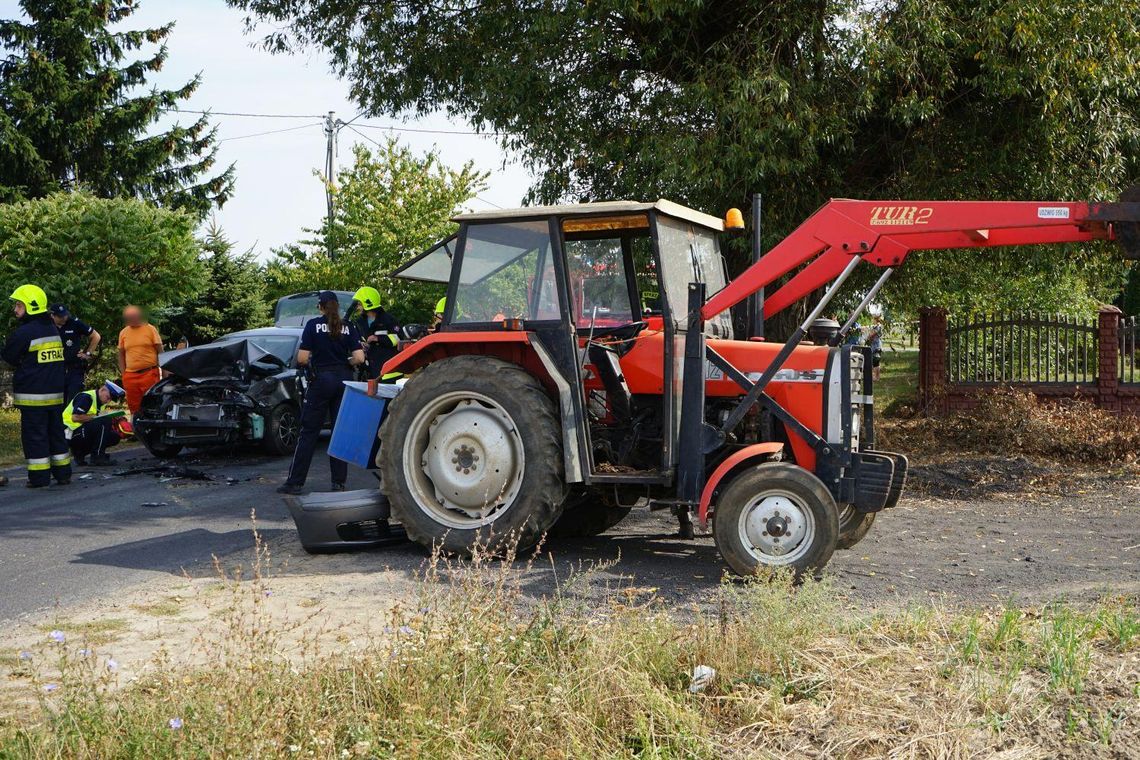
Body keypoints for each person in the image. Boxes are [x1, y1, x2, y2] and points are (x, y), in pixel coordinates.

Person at [277, 291, 365, 495]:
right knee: (339, 432)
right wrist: (346, 362)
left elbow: (301, 358)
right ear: (336, 306)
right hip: (344, 380)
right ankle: (339, 482)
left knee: (308, 432)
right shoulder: (348, 326)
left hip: (321, 381)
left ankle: (295, 482)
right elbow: (359, 358)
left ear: (320, 307)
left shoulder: (312, 326)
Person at [2, 284, 71, 488]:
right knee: (56, 434)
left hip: (33, 396)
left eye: (18, 305)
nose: (15, 309)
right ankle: (63, 473)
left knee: (35, 437)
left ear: (30, 306)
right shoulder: (52, 329)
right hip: (55, 395)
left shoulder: (25, 332)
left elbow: (8, 357)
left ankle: (39, 478)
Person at [64, 380, 127, 466]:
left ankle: (80, 453)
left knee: (114, 436)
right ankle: (97, 457)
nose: (108, 401)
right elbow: (75, 417)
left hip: (80, 432)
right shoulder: (86, 397)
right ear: (103, 390)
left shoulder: (101, 402)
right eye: (108, 397)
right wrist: (96, 417)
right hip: (69, 433)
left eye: (111, 399)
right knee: (104, 421)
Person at [50, 304, 101, 406]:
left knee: (74, 401)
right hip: (55, 370)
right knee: (58, 405)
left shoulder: (74, 322)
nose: (64, 318)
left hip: (74, 370)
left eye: (65, 315)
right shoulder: (46, 325)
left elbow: (96, 336)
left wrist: (87, 353)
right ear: (52, 315)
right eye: (60, 316)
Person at [117, 305, 162, 416]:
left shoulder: (150, 329)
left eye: (132, 317)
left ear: (138, 316)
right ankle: (136, 429)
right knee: (134, 408)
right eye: (128, 318)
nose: (130, 320)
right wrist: (124, 375)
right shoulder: (123, 333)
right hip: (130, 376)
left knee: (151, 405)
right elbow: (121, 355)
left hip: (149, 373)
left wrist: (164, 374)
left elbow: (161, 352)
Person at [350, 286, 401, 380]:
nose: (357, 307)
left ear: (367, 304)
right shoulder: (360, 322)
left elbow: (398, 339)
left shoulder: (389, 320)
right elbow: (359, 338)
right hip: (369, 371)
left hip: (388, 373)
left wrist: (377, 338)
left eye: (359, 304)